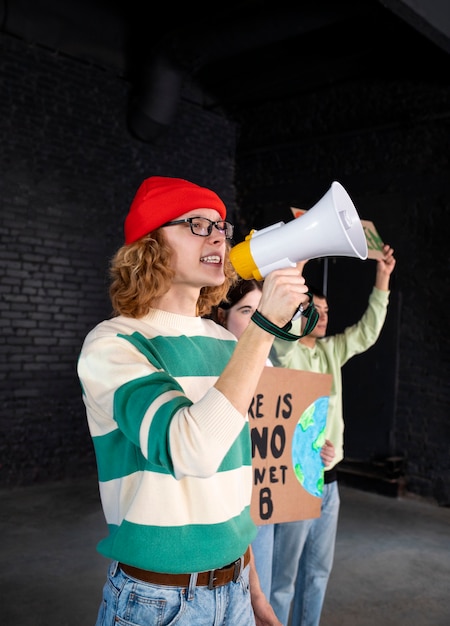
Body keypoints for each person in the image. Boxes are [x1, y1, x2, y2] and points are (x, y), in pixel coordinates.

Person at [77, 175, 311, 626]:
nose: (219, 236)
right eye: (197, 224)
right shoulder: (115, 344)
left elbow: (228, 490)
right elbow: (191, 449)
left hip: (237, 588)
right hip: (157, 602)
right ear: (150, 245)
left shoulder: (226, 341)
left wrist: (256, 592)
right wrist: (263, 326)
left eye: (221, 226)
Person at [268, 244, 397, 626]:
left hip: (330, 481)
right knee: (284, 577)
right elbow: (283, 343)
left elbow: (367, 332)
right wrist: (300, 269)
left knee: (318, 571)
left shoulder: (330, 351)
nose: (323, 318)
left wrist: (383, 278)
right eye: (315, 310)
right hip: (297, 478)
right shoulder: (287, 352)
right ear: (300, 314)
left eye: (326, 312)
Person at [210, 278, 335, 604]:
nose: (256, 321)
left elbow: (286, 429)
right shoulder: (211, 364)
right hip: (221, 505)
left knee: (258, 591)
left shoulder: (269, 367)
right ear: (223, 315)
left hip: (262, 505)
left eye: (261, 312)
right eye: (247, 310)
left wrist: (313, 448)